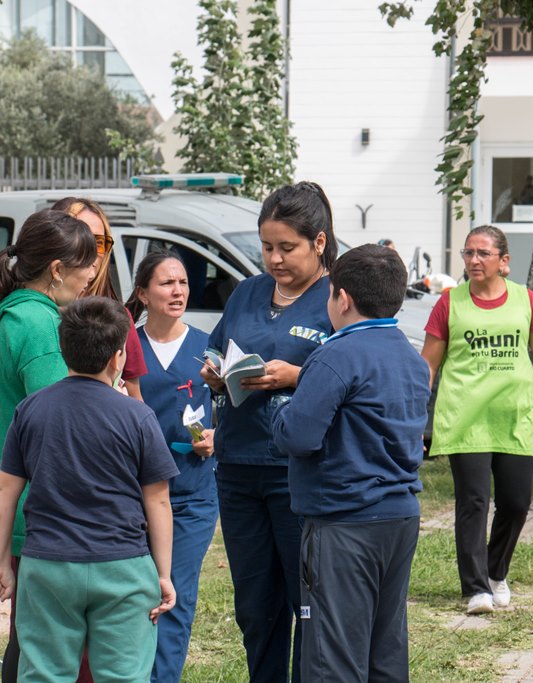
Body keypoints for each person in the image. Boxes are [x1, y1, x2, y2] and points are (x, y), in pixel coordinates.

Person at [0, 296, 179, 682]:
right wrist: (163, 573)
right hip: (123, 566)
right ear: (118, 357)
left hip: (48, 567)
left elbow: (5, 490)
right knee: (124, 676)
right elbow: (157, 499)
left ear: (63, 349)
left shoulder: (32, 409)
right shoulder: (138, 416)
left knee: (43, 674)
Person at [273, 244, 430, 682]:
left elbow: (299, 436)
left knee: (333, 658)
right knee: (386, 651)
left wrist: (282, 411)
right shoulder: (410, 356)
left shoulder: (336, 354)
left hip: (345, 522)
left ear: (342, 299)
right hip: (399, 516)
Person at [200, 181, 337, 683]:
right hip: (236, 468)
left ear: (318, 243)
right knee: (255, 607)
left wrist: (297, 376)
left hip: (297, 473)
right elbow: (217, 348)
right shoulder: (248, 291)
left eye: (287, 248)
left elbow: (355, 372)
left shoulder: (336, 298)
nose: (274, 259)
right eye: (267, 247)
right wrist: (215, 369)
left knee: (306, 603)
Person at [421, 225, 533, 615]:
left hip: (513, 416)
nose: (473, 260)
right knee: (473, 502)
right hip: (465, 417)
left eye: (483, 253)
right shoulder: (449, 303)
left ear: (503, 261)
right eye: (468, 253)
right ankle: (475, 588)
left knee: (516, 502)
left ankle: (495, 571)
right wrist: (413, 415)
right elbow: (428, 363)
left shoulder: (525, 300)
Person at [0, 208, 98, 681]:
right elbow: (62, 423)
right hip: (44, 511)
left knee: (30, 641)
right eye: (86, 262)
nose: (91, 273)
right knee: (43, 654)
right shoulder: (39, 325)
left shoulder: (12, 314)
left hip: (23, 502)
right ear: (58, 269)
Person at [125, 251, 217, 683]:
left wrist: (219, 436)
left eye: (182, 282)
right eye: (166, 283)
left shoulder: (209, 348)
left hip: (194, 495)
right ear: (143, 293)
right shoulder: (127, 350)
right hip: (135, 496)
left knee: (174, 596)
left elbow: (235, 405)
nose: (177, 290)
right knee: (136, 598)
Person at [52, 196, 147, 400]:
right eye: (82, 238)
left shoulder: (118, 317)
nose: (92, 251)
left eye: (99, 242)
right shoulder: (31, 314)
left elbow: (136, 400)